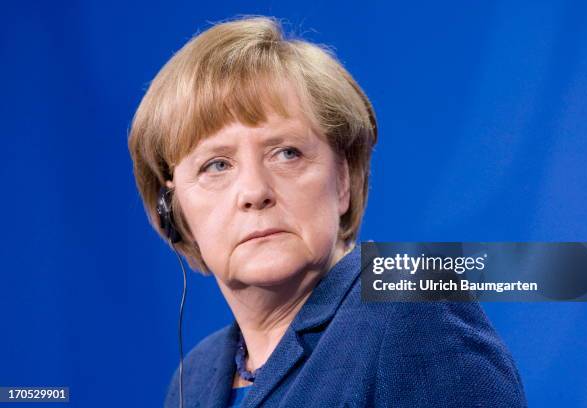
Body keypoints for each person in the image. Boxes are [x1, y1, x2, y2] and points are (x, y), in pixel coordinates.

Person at [128, 16, 527, 408]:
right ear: (174, 210)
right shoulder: (195, 376)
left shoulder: (411, 308)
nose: (254, 191)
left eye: (287, 153)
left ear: (343, 181)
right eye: (216, 165)